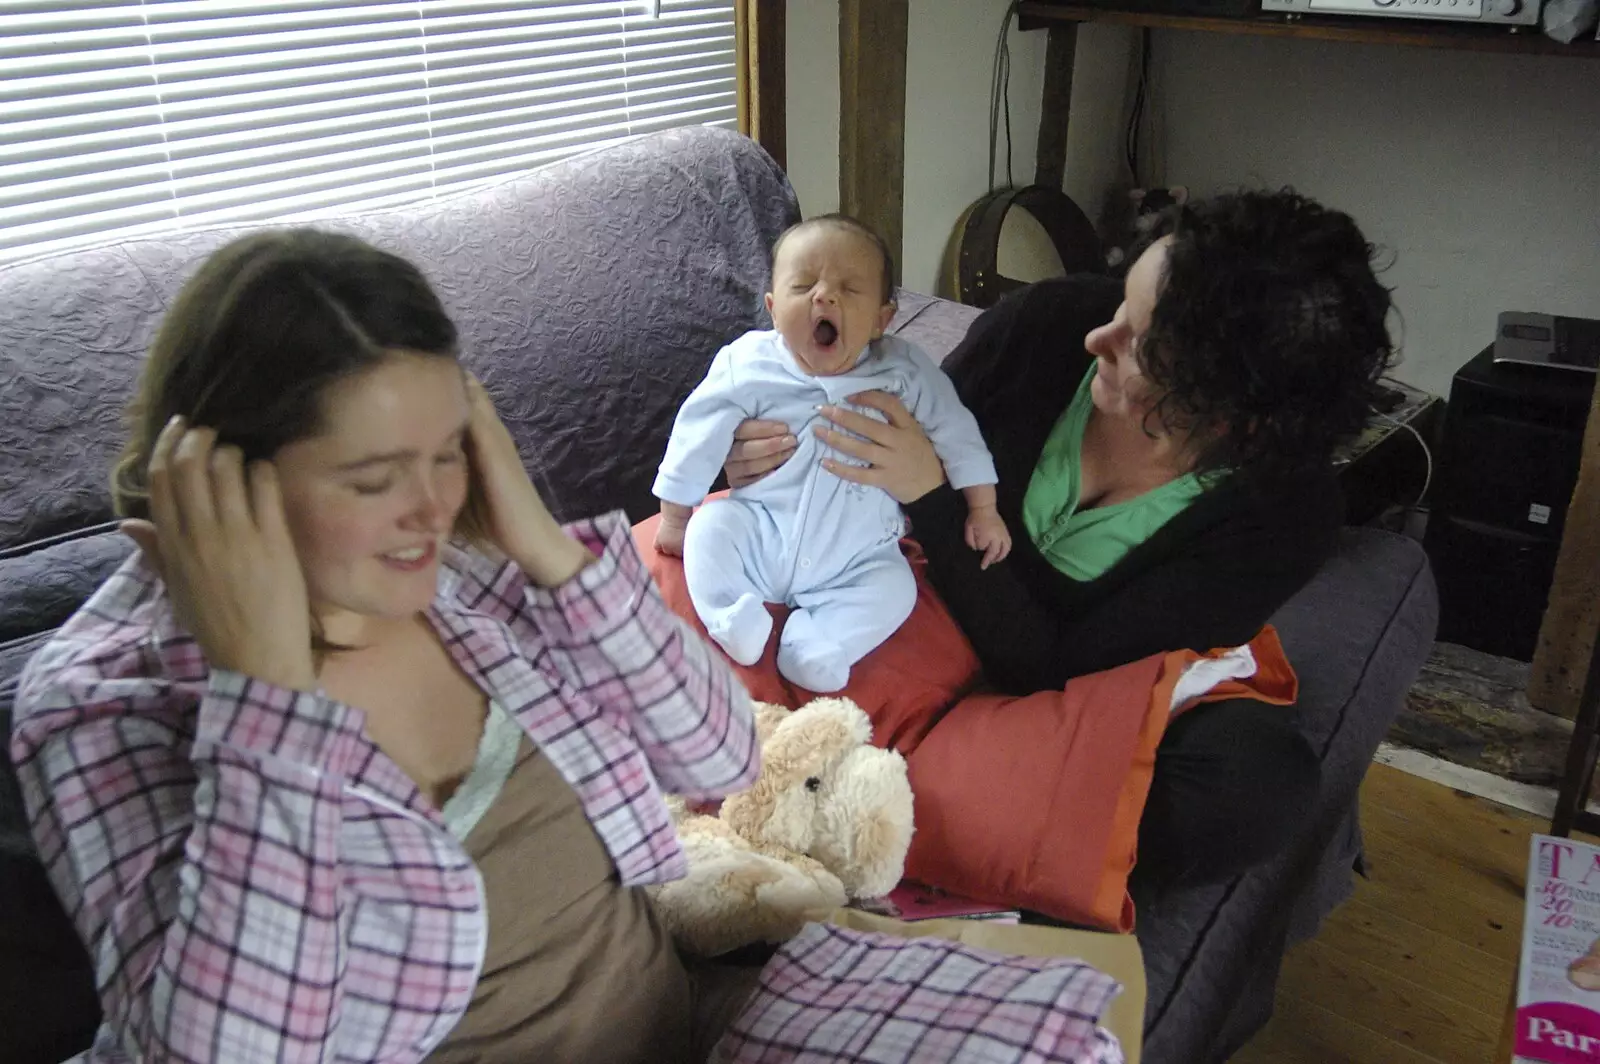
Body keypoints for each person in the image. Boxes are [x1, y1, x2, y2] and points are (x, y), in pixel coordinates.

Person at [10, 229, 1127, 1064]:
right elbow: (229, 1046)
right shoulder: (109, 697)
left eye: (446, 451)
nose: (427, 510)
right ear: (221, 485)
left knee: (1078, 1036)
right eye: (369, 477)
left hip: (685, 1008)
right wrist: (269, 694)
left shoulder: (462, 565)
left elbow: (713, 754)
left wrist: (545, 547)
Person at [723, 190, 1396, 886]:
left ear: (1231, 416)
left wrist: (932, 498)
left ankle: (847, 808)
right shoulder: (1049, 322)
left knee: (1256, 785)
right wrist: (755, 451)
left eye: (1141, 344)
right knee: (708, 554)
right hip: (887, 596)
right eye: (1121, 308)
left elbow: (1059, 672)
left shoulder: (1284, 518)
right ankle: (857, 811)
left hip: (1035, 693)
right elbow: (881, 429)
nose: (1097, 339)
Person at [653, 215, 1009, 693]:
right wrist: (676, 516)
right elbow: (698, 430)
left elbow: (957, 432)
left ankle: (819, 644)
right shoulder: (747, 363)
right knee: (710, 530)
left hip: (857, 554)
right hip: (763, 529)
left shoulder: (903, 371)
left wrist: (982, 507)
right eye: (803, 285)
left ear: (883, 320)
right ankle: (733, 618)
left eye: (849, 288)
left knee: (894, 589)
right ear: (774, 309)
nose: (823, 295)